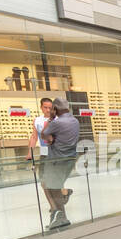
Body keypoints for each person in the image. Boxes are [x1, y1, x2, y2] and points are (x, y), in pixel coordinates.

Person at [41, 97, 81, 230]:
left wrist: (51, 119)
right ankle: (60, 217)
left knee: (49, 186)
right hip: (69, 160)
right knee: (53, 186)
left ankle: (58, 213)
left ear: (56, 109)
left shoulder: (56, 123)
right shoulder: (75, 121)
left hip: (56, 161)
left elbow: (43, 134)